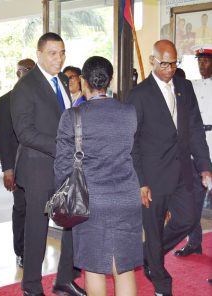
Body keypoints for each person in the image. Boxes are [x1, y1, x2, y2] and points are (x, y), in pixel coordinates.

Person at [126, 40, 212, 296]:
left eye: (174, 63)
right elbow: (132, 143)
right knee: (152, 229)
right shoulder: (139, 95)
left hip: (183, 171)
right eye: (164, 63)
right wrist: (140, 181)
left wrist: (205, 166)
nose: (169, 68)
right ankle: (161, 282)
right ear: (153, 61)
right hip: (152, 178)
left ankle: (148, 254)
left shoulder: (184, 87)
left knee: (187, 219)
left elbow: (195, 129)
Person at [55, 56, 143, 296]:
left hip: (90, 201)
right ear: (109, 80)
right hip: (127, 198)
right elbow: (134, 154)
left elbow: (62, 167)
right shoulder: (129, 113)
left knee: (94, 268)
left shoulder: (72, 116)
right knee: (123, 268)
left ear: (83, 81)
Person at [10, 32, 86, 296]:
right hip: (38, 167)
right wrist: (63, 147)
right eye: (53, 53)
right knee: (37, 227)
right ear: (40, 54)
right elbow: (25, 133)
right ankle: (31, 285)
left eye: (62, 52)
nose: (59, 58)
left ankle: (64, 278)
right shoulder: (25, 87)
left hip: (64, 166)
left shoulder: (63, 80)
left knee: (72, 220)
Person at [0, 58, 35, 268]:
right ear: (18, 72)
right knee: (21, 209)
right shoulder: (4, 101)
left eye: (32, 69)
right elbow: (4, 138)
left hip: (39, 166)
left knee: (38, 211)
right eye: (25, 70)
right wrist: (7, 170)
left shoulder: (40, 97)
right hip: (18, 168)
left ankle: (34, 251)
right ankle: (20, 252)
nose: (29, 73)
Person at [174, 45, 212, 257]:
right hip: (195, 147)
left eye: (205, 61)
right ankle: (194, 242)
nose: (202, 65)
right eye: (199, 61)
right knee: (193, 199)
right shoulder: (192, 87)